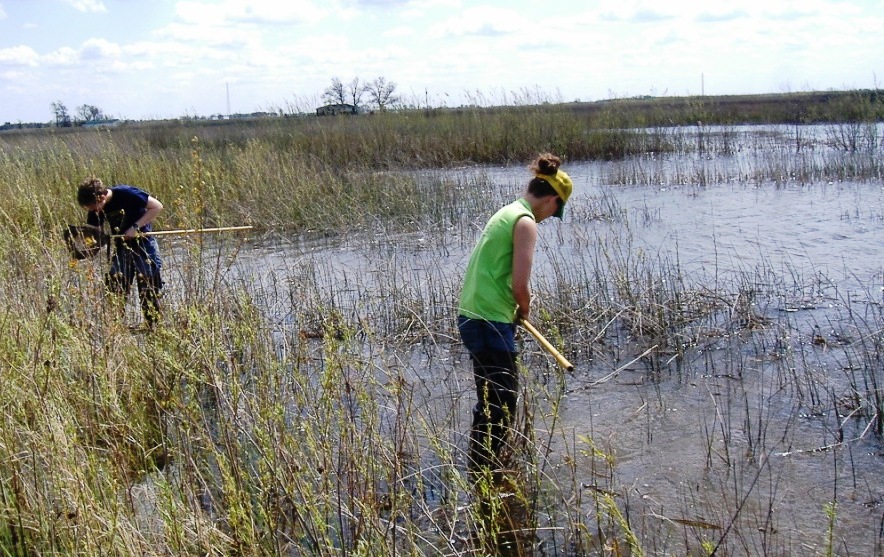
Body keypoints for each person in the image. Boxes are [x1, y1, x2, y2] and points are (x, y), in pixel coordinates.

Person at [458, 153, 573, 479]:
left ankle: (481, 473)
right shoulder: (525, 222)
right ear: (551, 199)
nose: (552, 216)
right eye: (556, 209)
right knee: (501, 404)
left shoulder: (507, 212)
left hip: (474, 316)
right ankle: (482, 477)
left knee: (493, 400)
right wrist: (524, 308)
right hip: (489, 320)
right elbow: (520, 284)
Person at [77, 177, 164, 327]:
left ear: (102, 196)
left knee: (148, 287)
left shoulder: (126, 193)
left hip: (145, 244)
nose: (92, 210)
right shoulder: (95, 209)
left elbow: (157, 206)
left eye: (93, 206)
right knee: (115, 286)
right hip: (122, 247)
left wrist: (135, 227)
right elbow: (93, 232)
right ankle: (115, 327)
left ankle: (153, 327)